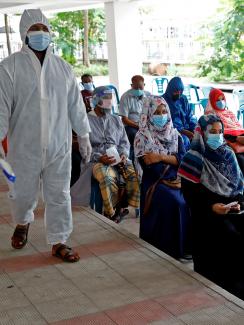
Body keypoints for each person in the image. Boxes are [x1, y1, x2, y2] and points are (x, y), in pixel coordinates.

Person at [0, 9, 91, 262]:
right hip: (23, 147)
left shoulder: (63, 68)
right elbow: (1, 106)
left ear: (50, 32)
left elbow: (76, 104)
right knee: (21, 193)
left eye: (43, 28)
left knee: (60, 194)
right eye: (34, 29)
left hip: (58, 146)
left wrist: (83, 134)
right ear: (24, 34)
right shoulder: (9, 68)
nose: (40, 33)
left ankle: (59, 240)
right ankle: (22, 222)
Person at [179, 114, 244, 299]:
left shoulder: (228, 153)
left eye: (220, 132)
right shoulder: (193, 158)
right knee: (230, 234)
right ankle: (227, 285)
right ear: (202, 133)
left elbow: (238, 185)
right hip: (206, 213)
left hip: (231, 208)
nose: (217, 136)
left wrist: (238, 203)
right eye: (212, 132)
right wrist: (212, 206)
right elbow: (190, 194)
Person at [134, 96, 192, 259]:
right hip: (156, 182)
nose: (161, 115)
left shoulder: (175, 134)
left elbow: (182, 159)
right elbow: (149, 165)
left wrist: (161, 157)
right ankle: (169, 249)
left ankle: (185, 247)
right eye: (157, 112)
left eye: (164, 111)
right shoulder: (143, 136)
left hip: (177, 179)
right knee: (174, 201)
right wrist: (170, 164)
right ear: (148, 115)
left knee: (191, 198)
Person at [71, 86, 140, 222]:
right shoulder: (85, 121)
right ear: (96, 100)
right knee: (106, 176)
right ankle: (111, 211)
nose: (110, 101)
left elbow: (124, 142)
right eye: (106, 98)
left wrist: (123, 154)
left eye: (111, 98)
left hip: (117, 158)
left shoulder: (115, 119)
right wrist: (99, 157)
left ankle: (123, 205)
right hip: (95, 161)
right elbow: (84, 148)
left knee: (133, 173)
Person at [205, 88, 244, 173]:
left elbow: (238, 125)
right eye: (217, 100)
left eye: (222, 99)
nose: (221, 102)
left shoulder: (229, 112)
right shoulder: (211, 115)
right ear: (212, 101)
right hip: (229, 139)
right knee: (241, 159)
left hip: (238, 136)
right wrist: (235, 136)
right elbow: (218, 132)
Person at [119, 75, 151, 161]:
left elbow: (152, 113)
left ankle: (148, 157)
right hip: (131, 125)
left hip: (146, 124)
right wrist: (139, 126)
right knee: (135, 135)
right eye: (135, 87)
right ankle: (134, 160)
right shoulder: (125, 97)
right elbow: (124, 119)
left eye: (140, 87)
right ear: (131, 86)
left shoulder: (149, 95)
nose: (138, 90)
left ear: (144, 85)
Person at [163, 76, 197, 151]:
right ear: (170, 90)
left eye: (180, 91)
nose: (178, 94)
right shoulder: (163, 101)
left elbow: (190, 115)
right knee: (184, 140)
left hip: (186, 128)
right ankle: (183, 160)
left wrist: (195, 127)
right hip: (171, 131)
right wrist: (183, 131)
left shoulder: (183, 99)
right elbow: (166, 122)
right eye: (175, 92)